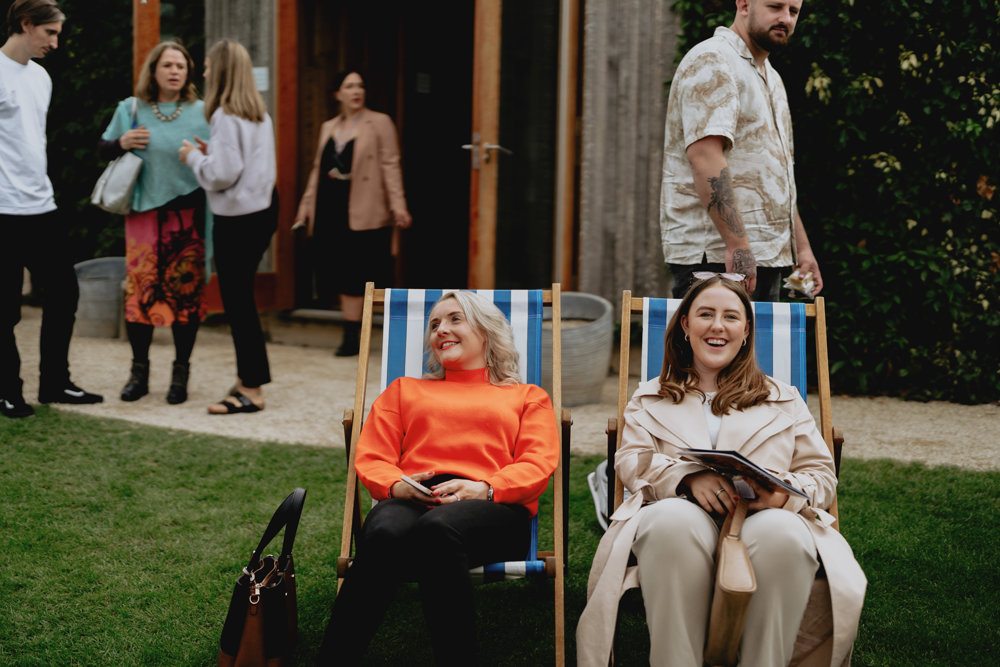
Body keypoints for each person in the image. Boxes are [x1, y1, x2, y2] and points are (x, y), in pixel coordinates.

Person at [577, 275, 865, 666]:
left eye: (731, 316)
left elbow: (821, 475)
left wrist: (781, 492)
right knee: (669, 520)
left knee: (783, 533)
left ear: (746, 331)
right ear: (685, 325)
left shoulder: (783, 399)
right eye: (705, 314)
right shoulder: (650, 397)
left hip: (761, 515)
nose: (717, 325)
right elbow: (631, 460)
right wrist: (686, 478)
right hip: (681, 515)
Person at [317, 291, 559, 665]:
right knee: (382, 533)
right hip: (413, 494)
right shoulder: (404, 391)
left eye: (454, 319)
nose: (441, 329)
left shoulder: (527, 397)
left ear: (486, 330)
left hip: (492, 505)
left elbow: (537, 461)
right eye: (434, 324)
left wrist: (485, 488)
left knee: (438, 530)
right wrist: (399, 486)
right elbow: (373, 456)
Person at [660, 0, 823, 301]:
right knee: (714, 349)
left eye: (793, 11)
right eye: (775, 6)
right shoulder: (713, 59)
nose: (785, 19)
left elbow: (776, 176)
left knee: (753, 351)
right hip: (717, 257)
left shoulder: (771, 78)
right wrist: (737, 244)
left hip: (762, 255)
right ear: (744, 3)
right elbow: (705, 157)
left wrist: (801, 249)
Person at [0, 0, 103, 419]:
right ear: (26, 25)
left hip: (42, 206)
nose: (56, 43)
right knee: (5, 307)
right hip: (2, 210)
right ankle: (7, 390)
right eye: (50, 33)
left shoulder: (41, 77)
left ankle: (55, 383)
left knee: (64, 292)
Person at [99, 41, 211, 405]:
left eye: (181, 65)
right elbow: (101, 149)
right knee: (141, 296)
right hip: (143, 217)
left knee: (185, 299)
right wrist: (122, 141)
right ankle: (139, 374)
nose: (175, 71)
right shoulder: (131, 108)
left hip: (188, 219)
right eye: (168, 65)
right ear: (154, 70)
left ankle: (181, 376)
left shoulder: (204, 111)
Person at [179, 39, 276, 415]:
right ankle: (250, 378)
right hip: (263, 208)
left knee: (238, 302)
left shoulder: (223, 115)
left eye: (206, 66)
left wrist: (192, 159)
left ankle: (251, 390)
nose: (202, 72)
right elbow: (238, 164)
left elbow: (222, 174)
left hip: (238, 218)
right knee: (242, 299)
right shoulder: (257, 114)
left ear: (219, 71)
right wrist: (211, 154)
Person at [293, 70, 411, 357]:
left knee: (361, 272)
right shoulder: (328, 127)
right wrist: (304, 210)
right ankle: (350, 335)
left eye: (360, 85)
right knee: (341, 271)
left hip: (366, 207)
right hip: (331, 208)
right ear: (338, 94)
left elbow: (390, 165)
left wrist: (398, 204)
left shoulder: (379, 122)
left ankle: (357, 336)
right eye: (349, 86)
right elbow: (316, 172)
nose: (356, 91)